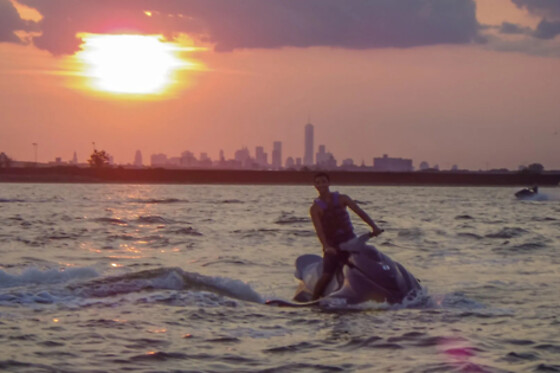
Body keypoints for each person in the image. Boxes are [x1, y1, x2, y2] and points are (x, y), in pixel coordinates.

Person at [309, 172, 383, 300]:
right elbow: (319, 230)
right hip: (333, 246)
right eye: (318, 182)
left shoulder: (342, 198)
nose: (321, 184)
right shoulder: (315, 208)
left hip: (351, 242)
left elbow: (360, 212)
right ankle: (314, 301)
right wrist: (326, 247)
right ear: (315, 185)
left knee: (372, 258)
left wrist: (374, 227)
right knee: (327, 275)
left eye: (324, 181)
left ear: (329, 183)